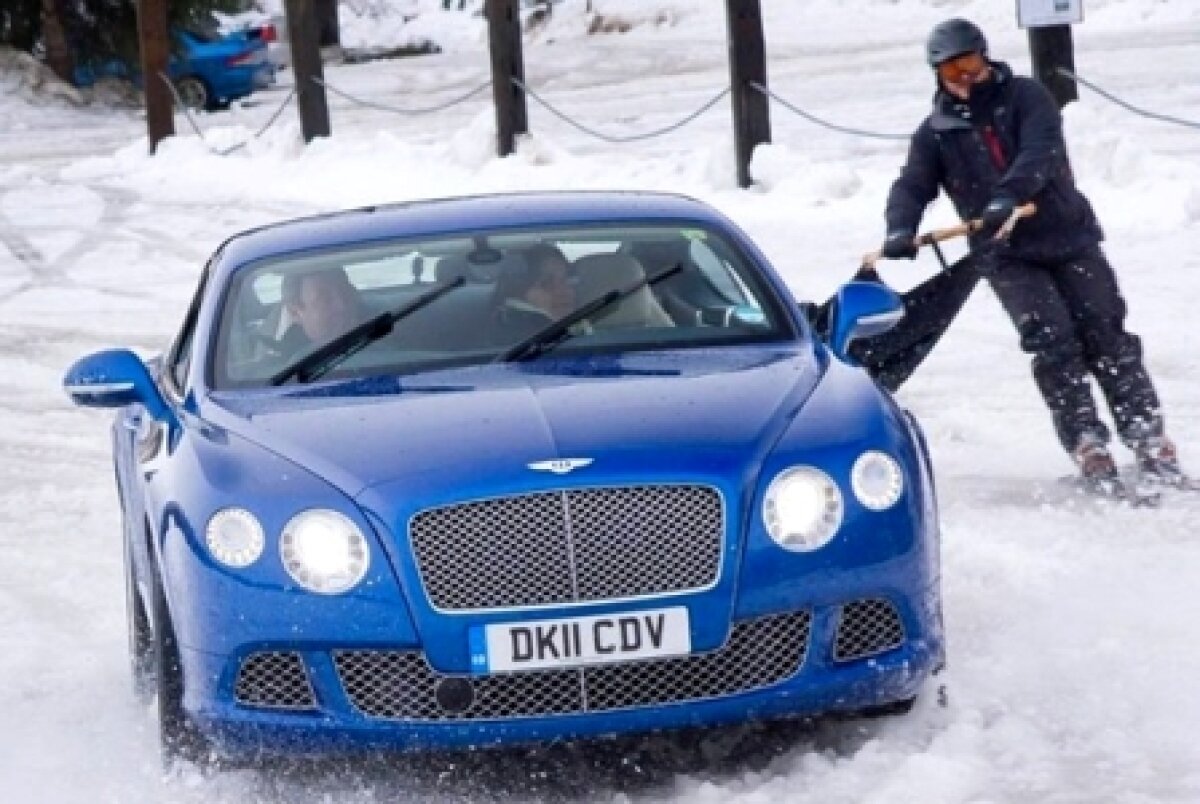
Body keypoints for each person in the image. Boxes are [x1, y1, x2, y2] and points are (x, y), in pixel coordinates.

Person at [880, 18, 1182, 485]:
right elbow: (912, 184)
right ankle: (1087, 442)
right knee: (1052, 340)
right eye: (949, 69)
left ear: (985, 56)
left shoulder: (1026, 96)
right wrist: (900, 228)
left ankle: (1146, 435)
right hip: (1007, 255)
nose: (962, 75)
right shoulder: (936, 131)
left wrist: (1009, 194)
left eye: (969, 62)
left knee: (1106, 332)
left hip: (1068, 236)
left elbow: (1040, 151)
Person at [489, 244, 578, 341]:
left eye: (567, 280)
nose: (563, 291)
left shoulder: (585, 321)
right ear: (520, 291)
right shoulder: (517, 332)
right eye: (546, 283)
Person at [280, 266, 371, 351]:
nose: (341, 306)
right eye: (324, 299)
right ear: (294, 312)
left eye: (344, 291)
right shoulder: (287, 366)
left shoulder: (382, 340)